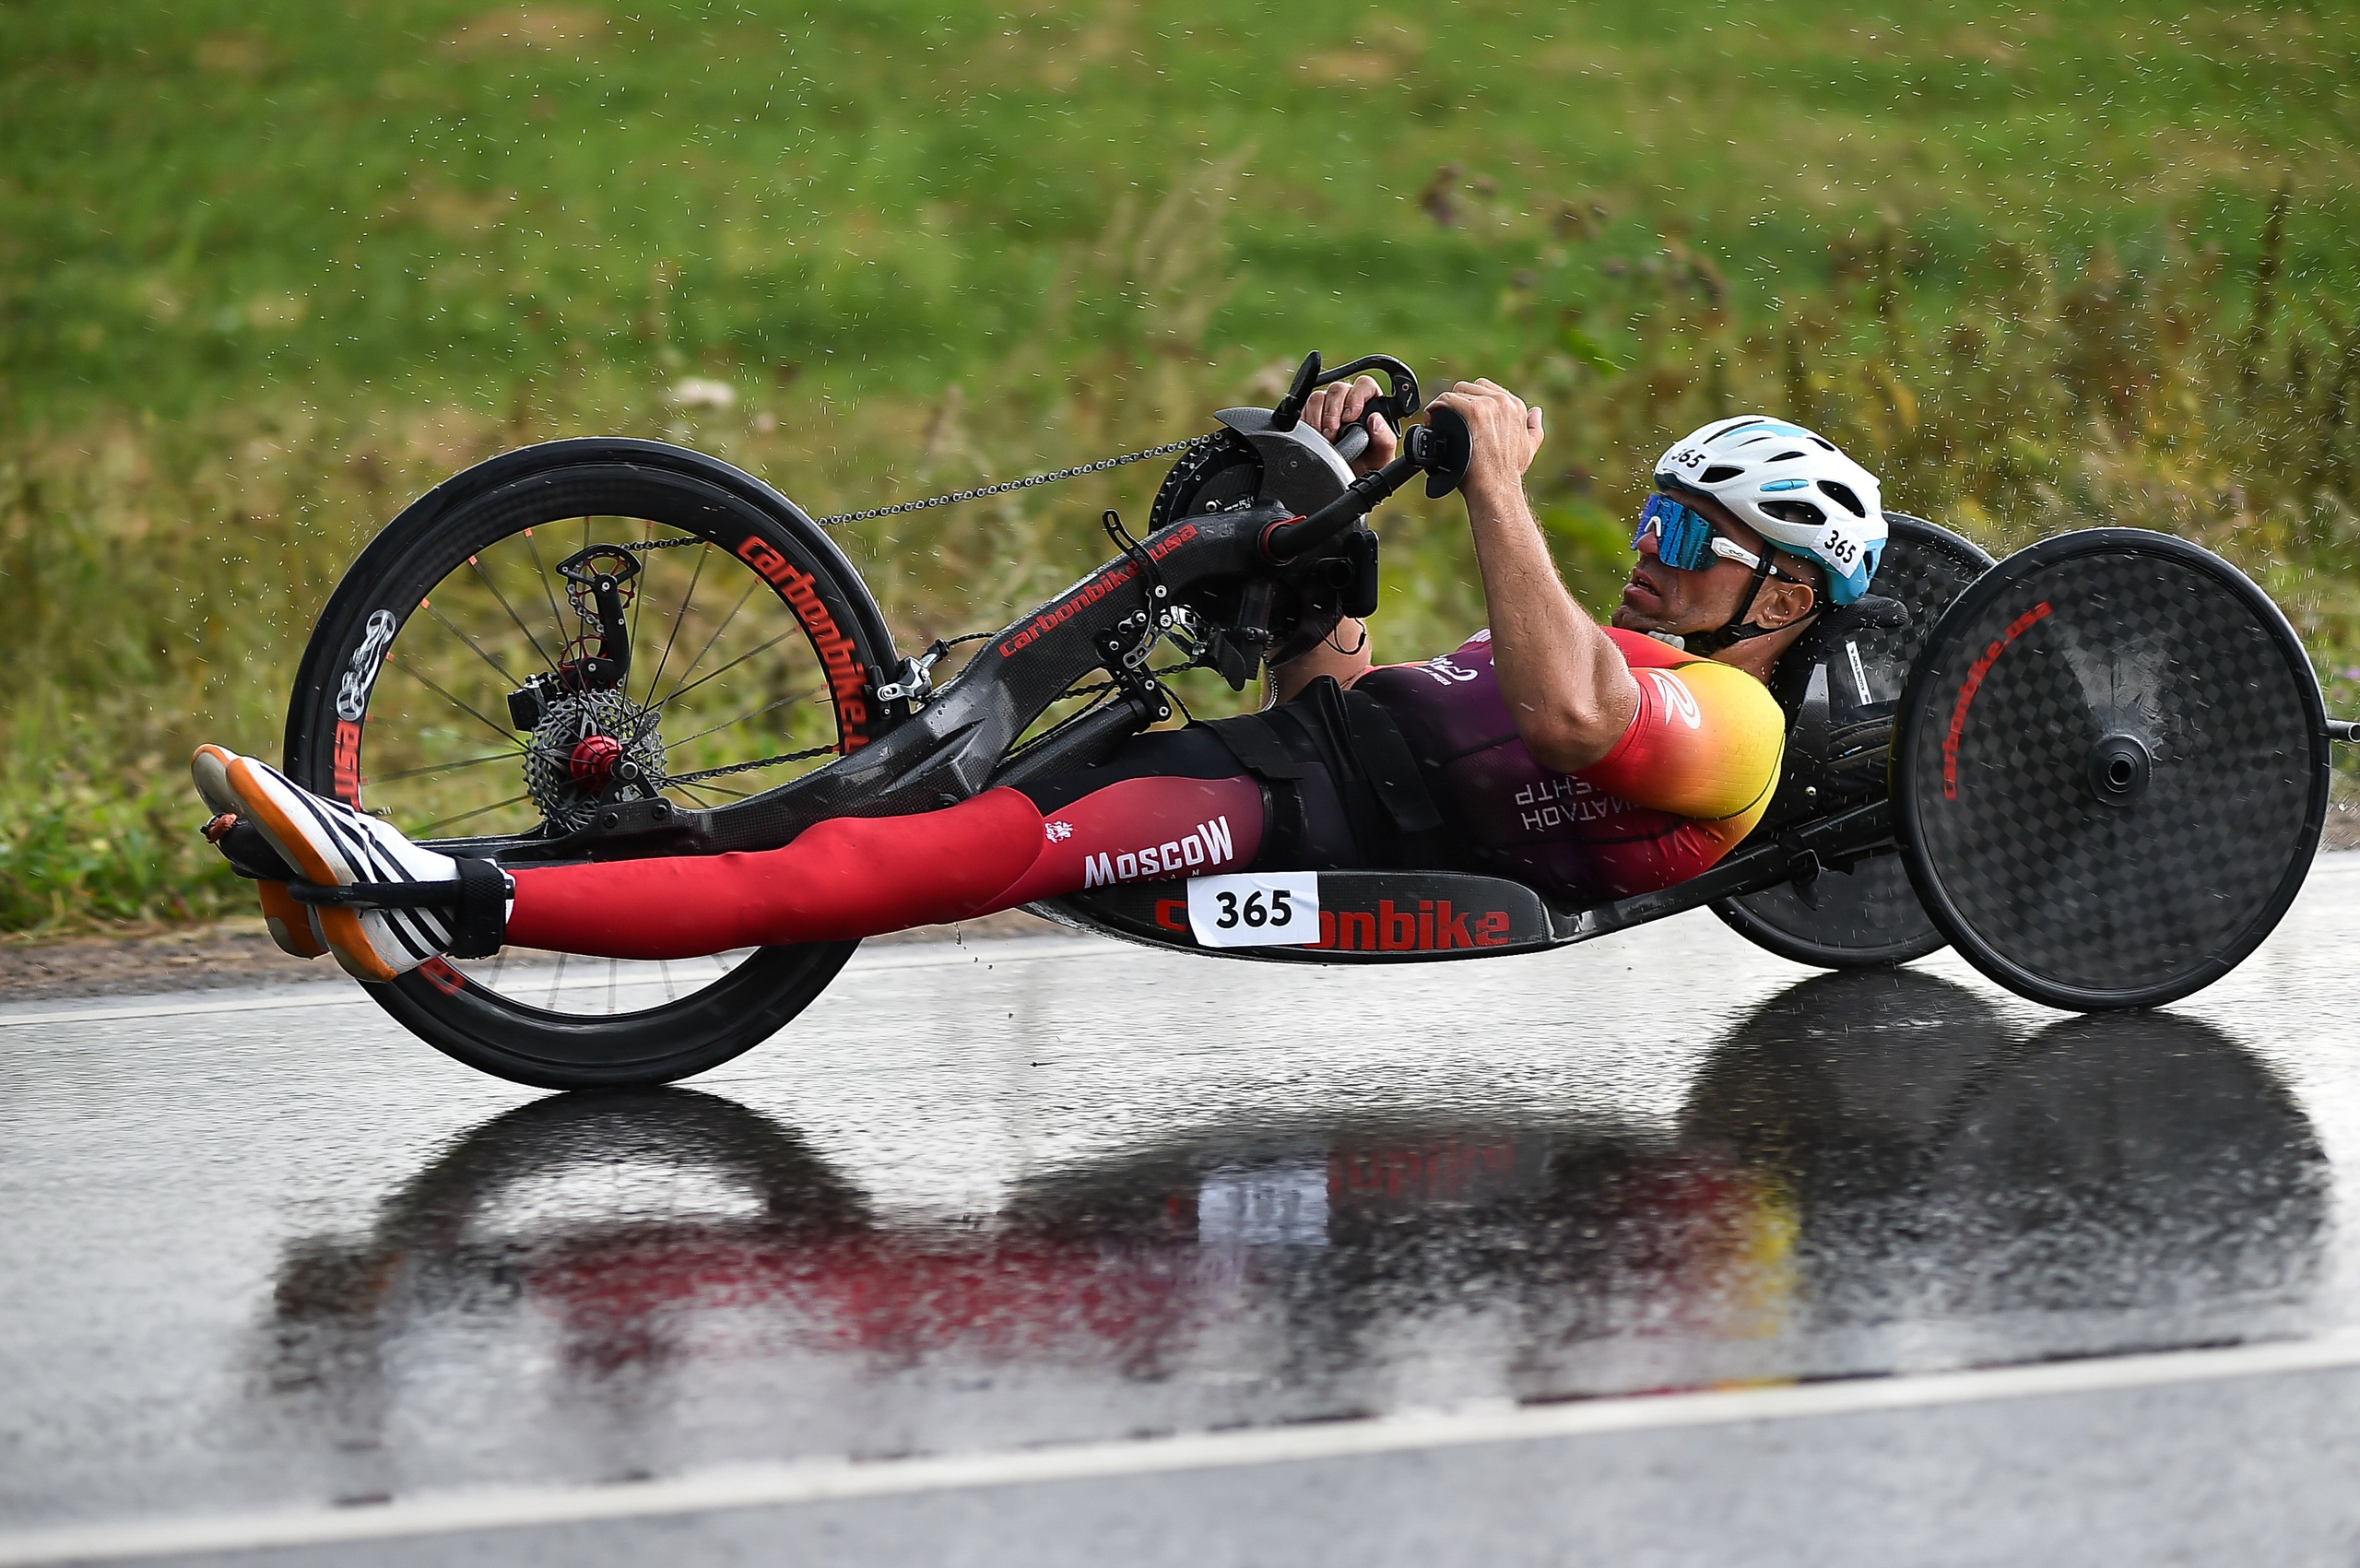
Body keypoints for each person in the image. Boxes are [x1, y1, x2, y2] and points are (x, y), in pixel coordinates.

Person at [192, 381, 1888, 982]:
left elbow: (1572, 719)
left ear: (1787, 594)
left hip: (1262, 820)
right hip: (1275, 760)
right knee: (844, 805)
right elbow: (1353, 697)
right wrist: (1334, 505)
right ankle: (384, 879)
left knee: (892, 862)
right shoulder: (1625, 649)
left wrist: (1502, 484)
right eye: (1654, 514)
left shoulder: (1731, 725)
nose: (1653, 546)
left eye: (1693, 533)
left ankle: (444, 896)